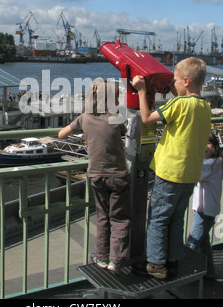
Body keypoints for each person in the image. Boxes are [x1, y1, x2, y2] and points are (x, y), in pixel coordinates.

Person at [132, 57, 212, 280]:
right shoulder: (205, 108)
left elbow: (147, 118)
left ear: (186, 81)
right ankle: (173, 261)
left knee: (157, 218)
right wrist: (174, 90)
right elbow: (186, 104)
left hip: (169, 174)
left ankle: (155, 265)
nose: (172, 84)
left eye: (175, 80)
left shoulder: (178, 105)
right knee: (176, 218)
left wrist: (140, 90)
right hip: (190, 175)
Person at [58, 78, 132, 274]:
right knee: (119, 218)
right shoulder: (118, 117)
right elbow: (125, 133)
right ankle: (116, 260)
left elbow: (61, 135)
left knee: (102, 216)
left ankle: (101, 257)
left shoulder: (84, 118)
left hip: (96, 175)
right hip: (118, 175)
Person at [187, 132, 223, 279]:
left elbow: (195, 173)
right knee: (205, 241)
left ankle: (187, 274)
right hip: (207, 209)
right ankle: (209, 270)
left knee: (192, 243)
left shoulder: (210, 164)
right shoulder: (217, 163)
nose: (204, 147)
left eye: (207, 143)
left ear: (214, 147)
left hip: (204, 210)